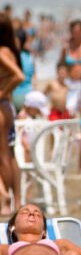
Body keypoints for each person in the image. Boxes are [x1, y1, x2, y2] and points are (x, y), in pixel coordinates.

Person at [0, 13, 24, 213]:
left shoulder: (1, 52)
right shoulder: (10, 50)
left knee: (3, 155)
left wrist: (1, 92)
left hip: (1, 106)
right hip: (7, 107)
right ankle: (16, 201)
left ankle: (5, 198)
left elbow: (18, 76)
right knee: (9, 154)